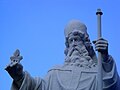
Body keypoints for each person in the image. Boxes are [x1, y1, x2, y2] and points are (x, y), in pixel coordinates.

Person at [5, 20, 120, 90]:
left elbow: (111, 85)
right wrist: (20, 77)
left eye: (77, 39)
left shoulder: (98, 74)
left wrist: (105, 57)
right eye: (71, 41)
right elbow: (37, 87)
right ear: (67, 46)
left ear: (86, 44)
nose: (74, 44)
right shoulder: (55, 73)